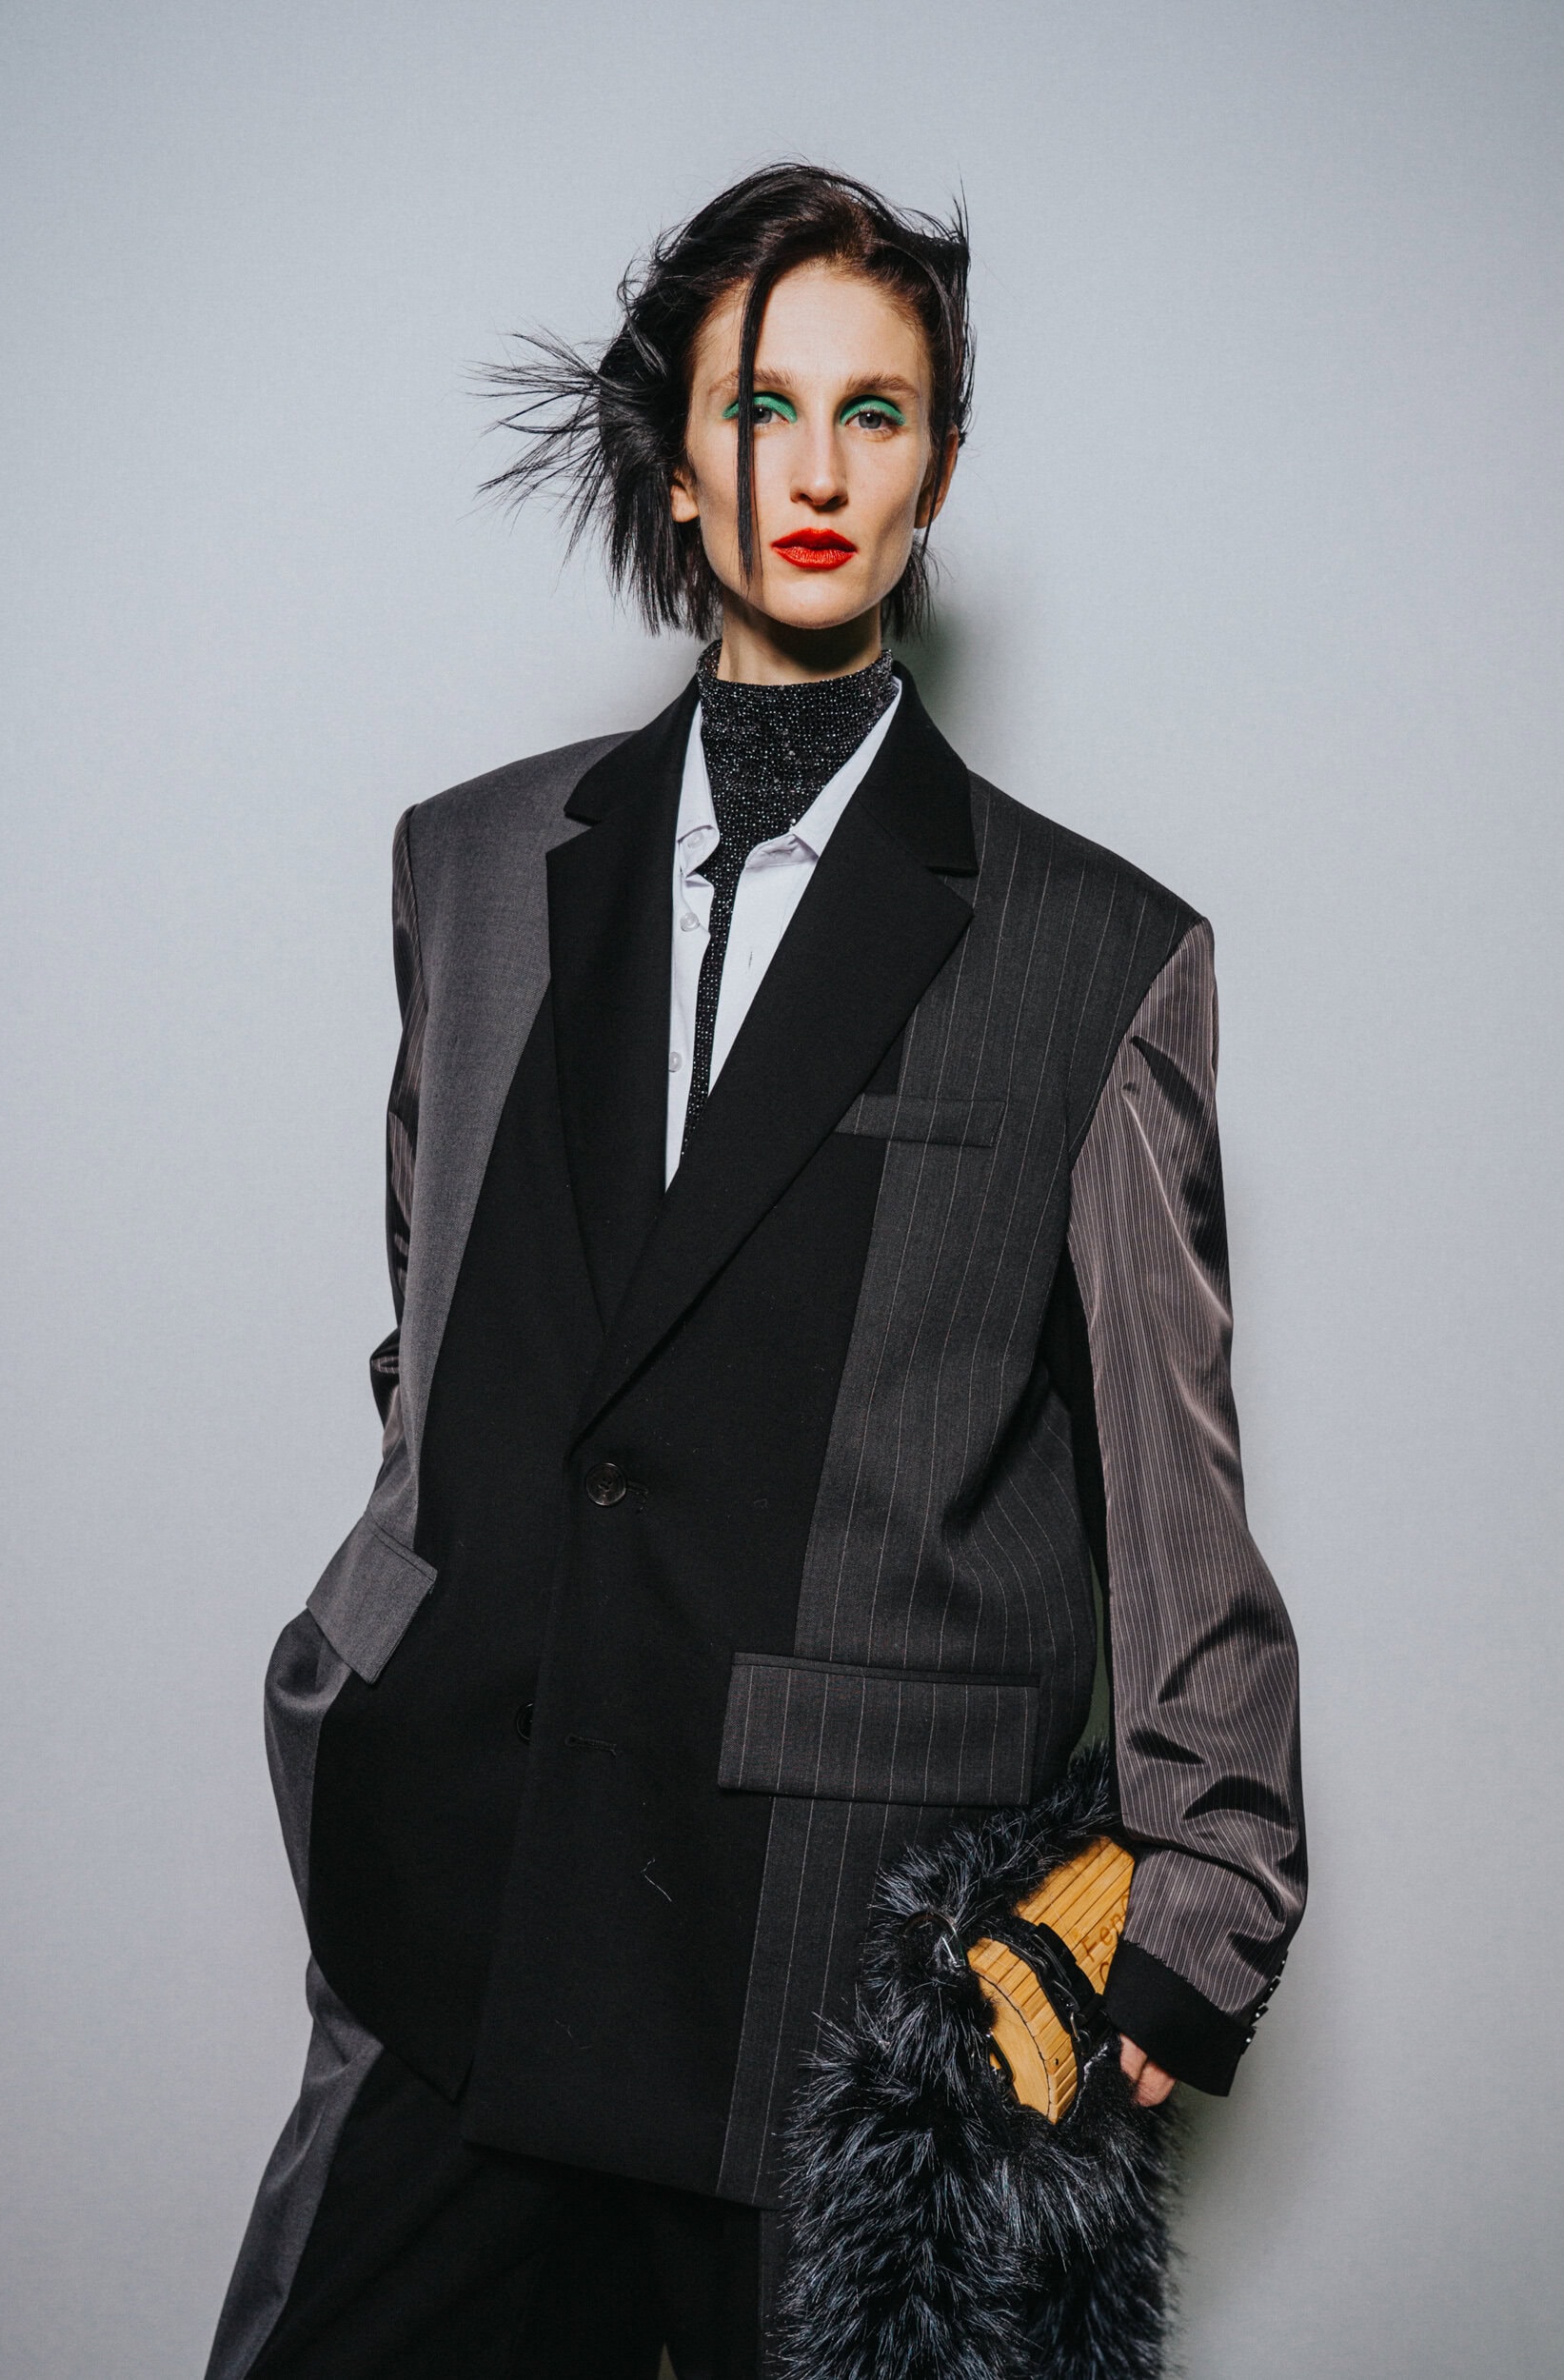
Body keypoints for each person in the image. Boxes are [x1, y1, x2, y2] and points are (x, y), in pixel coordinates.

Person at [206, 164, 1305, 2380]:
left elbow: (1174, 1492)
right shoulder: (475, 862)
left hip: (830, 1984)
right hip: (470, 1914)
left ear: (937, 469)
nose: (815, 467)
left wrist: (1199, 1894)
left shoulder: (1094, 951)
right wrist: (374, 1653)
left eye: (873, 412)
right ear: (681, 463)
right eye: (760, 406)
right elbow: (445, 1324)